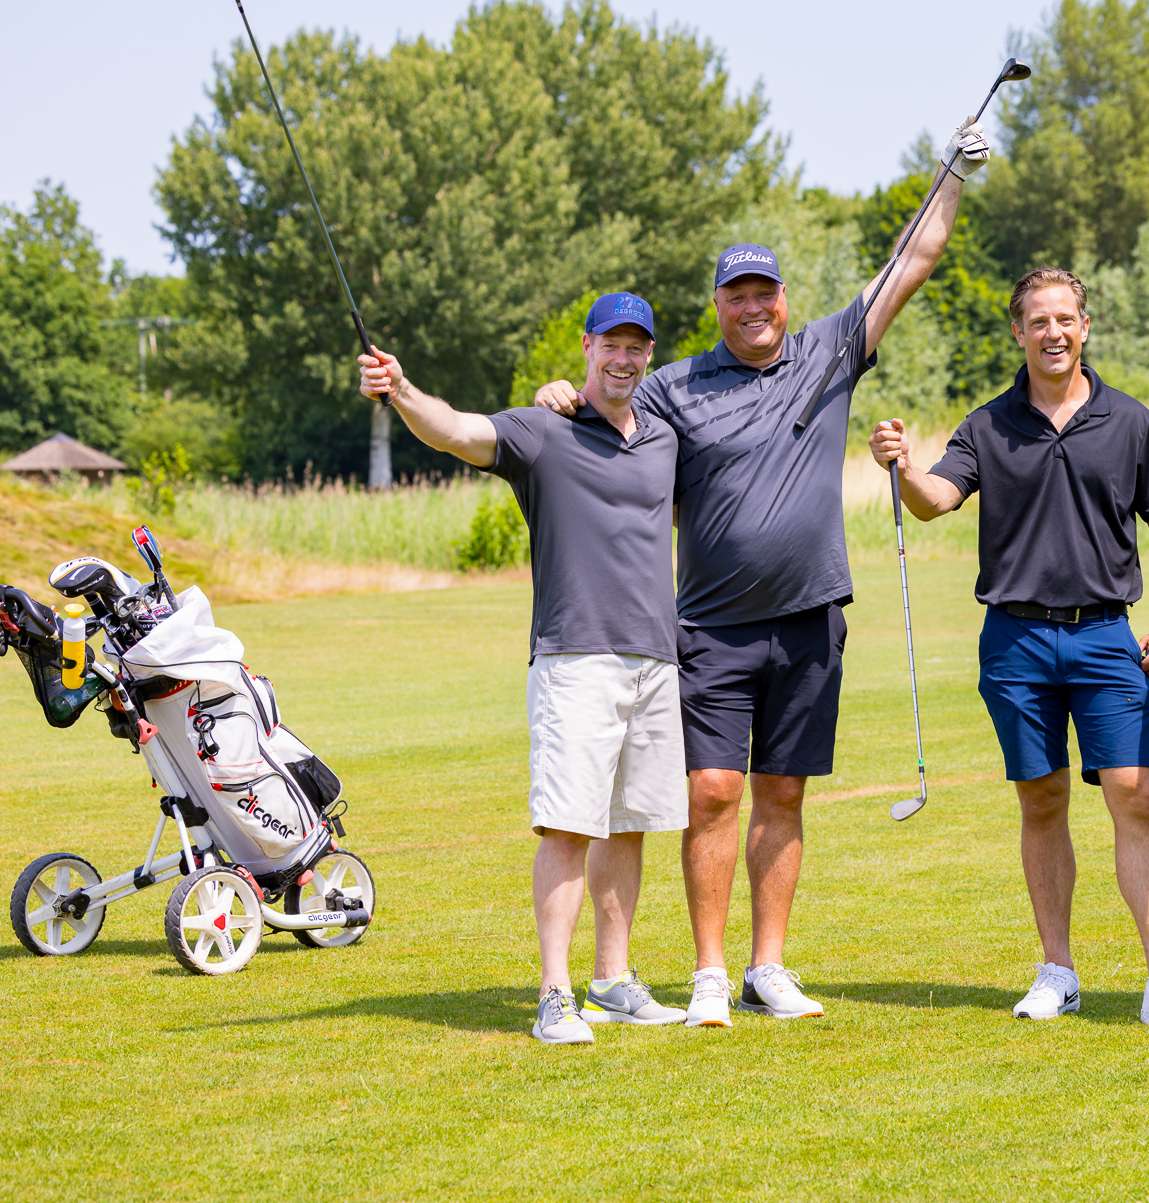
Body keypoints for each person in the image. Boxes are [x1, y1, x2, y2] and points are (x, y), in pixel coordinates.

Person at [535, 118, 990, 1025]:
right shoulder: (674, 386)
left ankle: (765, 967)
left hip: (812, 618)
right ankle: (708, 973)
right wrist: (563, 394)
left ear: (784, 299)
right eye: (737, 295)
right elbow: (609, 406)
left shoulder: (827, 352)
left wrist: (952, 175)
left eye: (766, 293)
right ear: (718, 305)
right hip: (709, 626)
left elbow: (912, 260)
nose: (755, 307)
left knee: (783, 793)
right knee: (713, 792)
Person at [869, 267, 1149, 1031]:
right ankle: (1056, 970)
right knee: (1042, 799)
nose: (1054, 333)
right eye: (1038, 321)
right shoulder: (987, 425)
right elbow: (936, 501)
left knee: (1138, 794)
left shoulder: (1130, 422)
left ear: (1085, 326)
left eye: (1065, 319)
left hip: (1106, 634)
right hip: (1016, 638)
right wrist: (904, 468)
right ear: (1018, 331)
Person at [357, 292, 688, 1046]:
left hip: (653, 660)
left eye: (638, 346)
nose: (625, 358)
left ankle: (613, 980)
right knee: (568, 827)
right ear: (586, 346)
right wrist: (402, 389)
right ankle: (555, 993)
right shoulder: (544, 429)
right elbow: (457, 433)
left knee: (629, 827)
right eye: (612, 343)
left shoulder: (664, 439)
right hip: (575, 658)